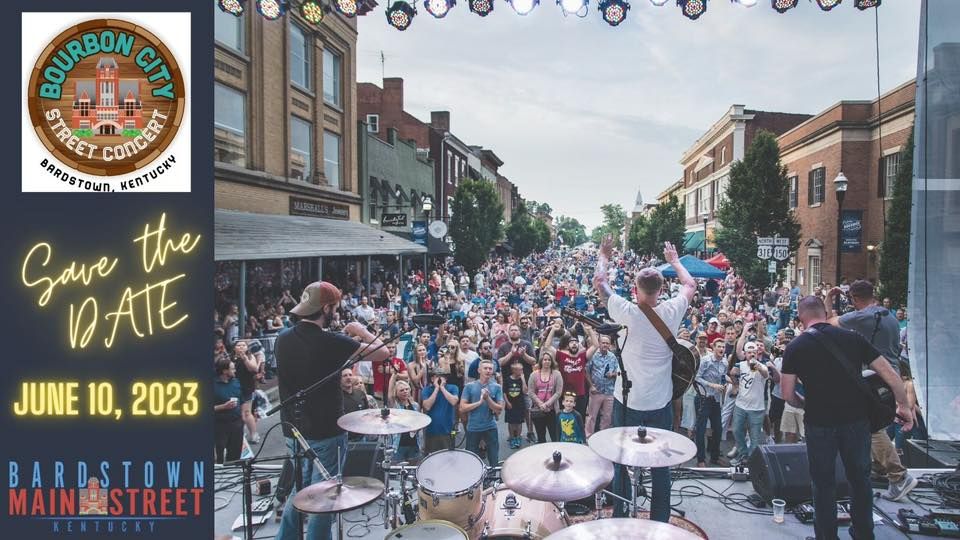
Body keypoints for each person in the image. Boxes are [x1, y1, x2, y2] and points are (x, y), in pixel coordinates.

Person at [781, 296, 913, 540]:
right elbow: (890, 374)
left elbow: (787, 394)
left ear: (801, 318)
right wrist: (904, 406)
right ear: (825, 313)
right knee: (860, 480)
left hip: (819, 422)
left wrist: (804, 404)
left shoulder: (795, 347)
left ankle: (826, 536)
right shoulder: (853, 338)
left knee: (822, 484)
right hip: (856, 421)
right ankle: (864, 534)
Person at [274, 281, 391, 540]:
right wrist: (361, 330)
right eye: (334, 308)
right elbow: (382, 352)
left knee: (300, 490)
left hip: (293, 430)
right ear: (326, 308)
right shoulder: (332, 342)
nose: (336, 313)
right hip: (326, 430)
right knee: (324, 498)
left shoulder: (282, 339)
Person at [593, 238, 696, 523]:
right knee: (661, 464)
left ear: (635, 290)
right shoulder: (673, 311)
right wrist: (675, 261)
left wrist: (604, 254)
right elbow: (690, 286)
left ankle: (622, 513)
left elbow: (600, 281)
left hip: (627, 402)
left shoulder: (625, 311)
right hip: (659, 402)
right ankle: (660, 521)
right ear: (661, 290)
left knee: (621, 459)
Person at [826, 280, 918, 501]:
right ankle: (878, 469)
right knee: (868, 426)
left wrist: (829, 298)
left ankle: (898, 475)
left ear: (855, 299)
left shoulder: (863, 316)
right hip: (889, 378)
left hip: (874, 377)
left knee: (870, 428)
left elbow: (827, 324)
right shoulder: (889, 316)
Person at [729, 342, 770, 466]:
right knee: (736, 430)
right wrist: (735, 384)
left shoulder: (763, 366)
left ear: (757, 353)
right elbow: (731, 373)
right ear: (745, 354)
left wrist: (756, 365)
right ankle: (743, 455)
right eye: (749, 352)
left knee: (755, 438)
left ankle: (752, 462)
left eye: (754, 352)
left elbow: (765, 374)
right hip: (741, 405)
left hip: (757, 408)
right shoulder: (740, 365)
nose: (752, 354)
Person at [460, 359, 504, 466]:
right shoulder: (469, 387)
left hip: (490, 427)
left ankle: (494, 480)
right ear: (479, 370)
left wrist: (487, 398)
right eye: (485, 368)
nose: (488, 371)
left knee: (494, 459)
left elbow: (499, 409)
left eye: (490, 369)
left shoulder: (497, 387)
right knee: (471, 460)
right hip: (473, 428)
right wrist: (479, 403)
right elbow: (462, 408)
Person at [694, 339, 727, 467]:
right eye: (719, 346)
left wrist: (727, 382)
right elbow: (697, 377)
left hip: (716, 399)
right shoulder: (706, 360)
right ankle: (700, 459)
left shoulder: (724, 362)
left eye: (723, 347)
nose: (722, 349)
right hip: (704, 398)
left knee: (718, 428)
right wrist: (711, 385)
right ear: (713, 348)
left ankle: (715, 457)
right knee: (701, 430)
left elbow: (723, 377)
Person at [585, 334, 619, 437]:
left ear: (610, 345)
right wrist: (591, 386)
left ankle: (603, 437)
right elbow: (586, 371)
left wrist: (613, 374)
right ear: (599, 343)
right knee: (592, 417)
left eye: (607, 343)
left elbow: (618, 372)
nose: (605, 345)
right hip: (596, 391)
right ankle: (588, 437)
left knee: (607, 417)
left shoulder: (613, 357)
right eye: (603, 343)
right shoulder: (593, 356)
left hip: (609, 392)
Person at [214, 357, 245, 464]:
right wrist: (223, 407)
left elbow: (242, 399)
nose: (235, 370)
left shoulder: (236, 382)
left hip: (236, 423)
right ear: (224, 371)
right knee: (219, 457)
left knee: (235, 455)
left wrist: (244, 415)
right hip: (219, 425)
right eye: (232, 369)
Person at [421, 370, 460, 454]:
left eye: (443, 377)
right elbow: (427, 406)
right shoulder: (426, 390)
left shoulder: (453, 387)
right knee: (431, 457)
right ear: (432, 379)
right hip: (432, 430)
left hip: (449, 430)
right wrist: (436, 389)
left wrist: (442, 388)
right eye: (437, 376)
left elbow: (454, 401)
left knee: (449, 456)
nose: (440, 379)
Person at [528, 352, 564, 443]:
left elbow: (558, 392)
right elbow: (531, 392)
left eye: (549, 360)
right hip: (538, 409)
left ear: (552, 361)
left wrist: (547, 404)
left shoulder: (557, 374)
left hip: (552, 410)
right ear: (541, 361)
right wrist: (540, 404)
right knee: (541, 436)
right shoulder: (534, 375)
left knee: (554, 435)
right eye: (545, 359)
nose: (547, 361)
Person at [233, 340, 262, 444]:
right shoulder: (230, 358)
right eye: (238, 345)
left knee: (246, 413)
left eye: (243, 345)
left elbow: (254, 369)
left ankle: (254, 434)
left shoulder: (250, 357)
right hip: (233, 389)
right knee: (236, 414)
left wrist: (244, 359)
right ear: (234, 348)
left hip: (246, 388)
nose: (241, 347)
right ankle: (239, 435)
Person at [388, 379, 423, 464]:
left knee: (413, 470)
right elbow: (390, 396)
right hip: (399, 444)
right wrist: (394, 375)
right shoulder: (395, 405)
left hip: (414, 443)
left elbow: (419, 422)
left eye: (407, 389)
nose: (405, 392)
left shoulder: (415, 405)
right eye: (401, 390)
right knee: (397, 469)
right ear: (396, 392)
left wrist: (417, 428)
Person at [504, 362, 528, 449]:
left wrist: (523, 380)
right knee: (511, 422)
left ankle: (517, 438)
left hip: (520, 404)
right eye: (520, 370)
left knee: (519, 422)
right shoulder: (507, 379)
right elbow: (504, 393)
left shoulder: (521, 379)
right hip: (510, 404)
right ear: (514, 370)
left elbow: (525, 391)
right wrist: (507, 402)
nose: (522, 371)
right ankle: (512, 438)